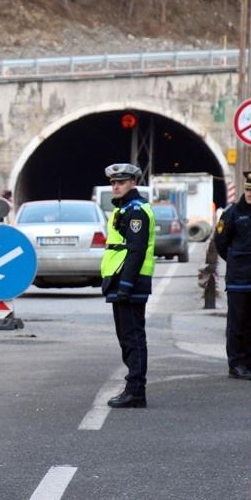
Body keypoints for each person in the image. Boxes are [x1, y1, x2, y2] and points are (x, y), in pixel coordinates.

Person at [100, 163, 155, 408]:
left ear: (133, 183)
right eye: (113, 182)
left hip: (130, 283)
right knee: (127, 339)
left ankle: (136, 391)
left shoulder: (136, 211)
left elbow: (136, 251)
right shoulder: (123, 209)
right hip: (120, 281)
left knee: (133, 338)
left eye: (121, 182)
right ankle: (133, 388)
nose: (116, 186)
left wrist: (125, 284)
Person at [213, 170, 251, 381]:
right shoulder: (233, 213)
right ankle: (236, 363)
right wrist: (237, 261)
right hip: (239, 280)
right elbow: (221, 242)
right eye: (248, 190)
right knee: (237, 324)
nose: (250, 194)